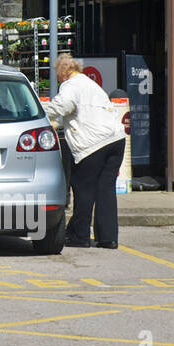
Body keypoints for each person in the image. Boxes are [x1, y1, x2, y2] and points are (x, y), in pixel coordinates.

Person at [43, 53, 126, 249]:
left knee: (83, 188)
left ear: (63, 72)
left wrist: (37, 111)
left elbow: (63, 106)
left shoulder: (70, 85)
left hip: (92, 144)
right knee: (106, 190)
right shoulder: (90, 84)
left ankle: (79, 236)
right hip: (116, 139)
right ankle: (108, 238)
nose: (57, 78)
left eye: (57, 74)